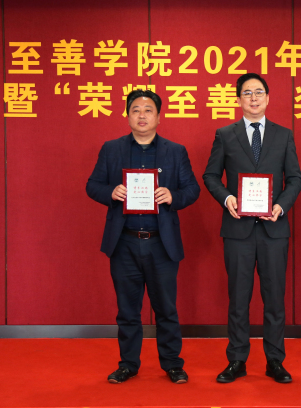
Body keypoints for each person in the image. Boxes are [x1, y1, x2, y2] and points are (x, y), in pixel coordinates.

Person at [86, 89, 200, 384]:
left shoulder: (175, 151)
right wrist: (110, 192)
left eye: (148, 110)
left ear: (159, 117)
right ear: (127, 116)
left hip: (161, 242)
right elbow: (92, 185)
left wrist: (173, 195)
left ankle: (172, 364)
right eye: (135, 109)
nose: (142, 115)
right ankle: (128, 364)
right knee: (127, 310)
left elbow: (192, 190)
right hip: (124, 241)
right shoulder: (112, 149)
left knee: (166, 309)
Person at [203, 73, 301, 384]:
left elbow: (295, 178)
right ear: (238, 100)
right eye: (247, 93)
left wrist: (281, 205)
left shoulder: (284, 135)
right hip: (238, 230)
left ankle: (275, 361)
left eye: (259, 92)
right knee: (238, 298)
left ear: (268, 98)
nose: (254, 98)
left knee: (274, 299)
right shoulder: (225, 134)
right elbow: (210, 176)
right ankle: (237, 360)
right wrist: (227, 198)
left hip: (274, 229)